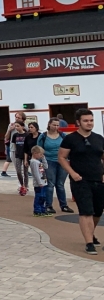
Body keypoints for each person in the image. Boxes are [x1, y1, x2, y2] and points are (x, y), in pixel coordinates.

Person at [58, 108, 104, 255]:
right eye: (86, 120)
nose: (89, 123)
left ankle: (91, 233)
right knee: (86, 211)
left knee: (97, 211)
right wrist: (72, 173)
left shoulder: (99, 138)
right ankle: (89, 242)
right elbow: (62, 157)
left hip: (98, 179)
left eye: (91, 120)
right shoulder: (70, 139)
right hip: (80, 180)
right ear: (78, 122)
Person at [37, 118, 72, 213]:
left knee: (60, 184)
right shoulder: (43, 136)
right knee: (50, 184)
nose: (56, 127)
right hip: (48, 161)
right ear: (49, 125)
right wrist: (40, 162)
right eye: (54, 125)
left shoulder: (62, 136)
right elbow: (38, 149)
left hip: (62, 161)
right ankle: (49, 205)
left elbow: (69, 147)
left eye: (57, 125)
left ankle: (64, 205)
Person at [1, 111, 26, 177]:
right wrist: (10, 130)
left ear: (23, 119)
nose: (17, 119)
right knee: (17, 166)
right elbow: (6, 137)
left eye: (19, 118)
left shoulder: (25, 126)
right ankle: (20, 183)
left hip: (23, 148)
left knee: (25, 165)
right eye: (16, 117)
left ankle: (25, 181)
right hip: (13, 148)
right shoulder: (11, 125)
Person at [20, 122, 40, 200]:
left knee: (40, 173)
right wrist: (25, 160)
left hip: (39, 157)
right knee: (34, 173)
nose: (30, 129)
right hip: (31, 157)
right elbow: (25, 149)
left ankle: (41, 186)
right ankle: (34, 188)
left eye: (32, 127)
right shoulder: (28, 137)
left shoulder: (41, 136)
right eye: (29, 127)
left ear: (36, 128)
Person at [29, 145, 49, 217]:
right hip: (39, 183)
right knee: (39, 196)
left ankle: (42, 209)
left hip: (43, 182)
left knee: (43, 197)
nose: (41, 156)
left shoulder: (38, 161)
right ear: (35, 153)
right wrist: (39, 182)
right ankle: (37, 210)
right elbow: (36, 173)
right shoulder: (34, 162)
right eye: (40, 154)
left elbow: (46, 166)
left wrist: (44, 158)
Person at [10, 121, 28, 194]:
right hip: (18, 155)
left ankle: (25, 186)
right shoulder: (15, 135)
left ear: (22, 127)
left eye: (18, 126)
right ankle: (21, 184)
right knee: (18, 171)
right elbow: (14, 144)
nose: (16, 127)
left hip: (26, 155)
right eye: (16, 126)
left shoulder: (27, 135)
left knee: (25, 172)